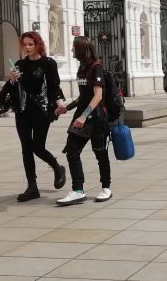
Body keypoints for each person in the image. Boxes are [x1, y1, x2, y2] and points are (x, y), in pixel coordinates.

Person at [7, 31, 67, 202]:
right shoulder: (19, 64)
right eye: (25, 44)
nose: (27, 47)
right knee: (26, 147)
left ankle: (57, 167)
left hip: (42, 110)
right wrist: (12, 80)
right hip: (23, 111)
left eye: (30, 44)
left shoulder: (48, 63)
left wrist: (59, 102)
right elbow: (15, 90)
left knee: (38, 147)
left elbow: (54, 86)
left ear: (38, 44)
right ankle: (32, 187)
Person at [56, 36, 112, 205]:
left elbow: (98, 96)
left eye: (73, 47)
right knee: (72, 151)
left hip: (95, 120)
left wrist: (83, 116)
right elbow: (83, 96)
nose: (72, 50)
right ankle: (78, 190)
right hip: (81, 117)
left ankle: (106, 187)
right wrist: (68, 107)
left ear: (81, 49)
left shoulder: (96, 67)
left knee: (100, 153)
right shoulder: (82, 68)